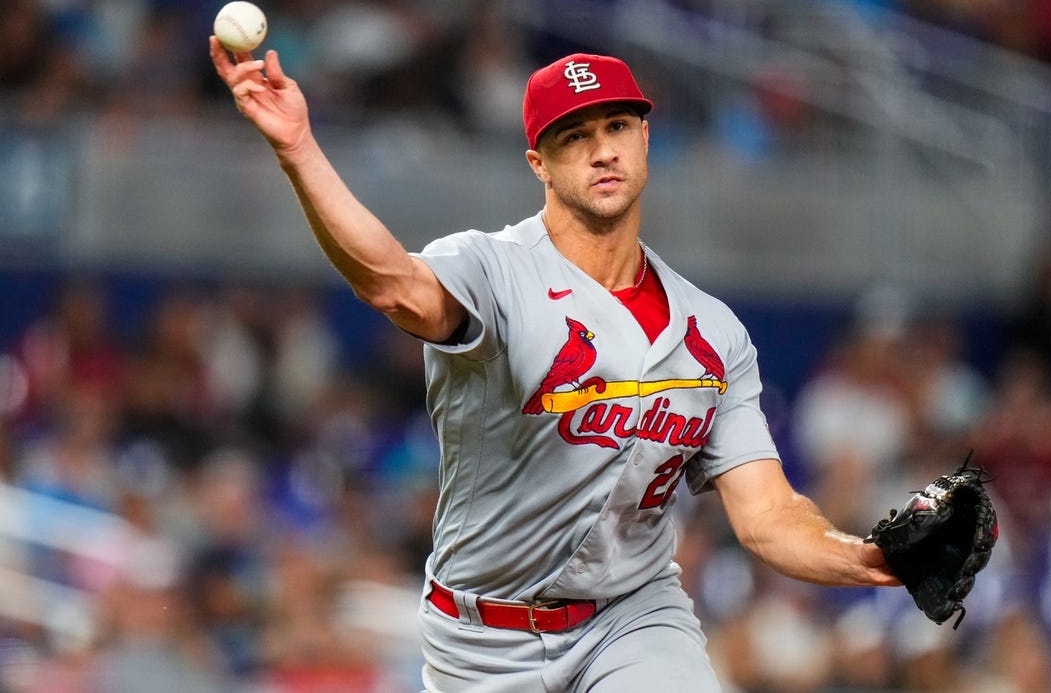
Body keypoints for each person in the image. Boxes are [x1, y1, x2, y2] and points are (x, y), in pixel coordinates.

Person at [210, 35, 899, 693]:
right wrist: (299, 148)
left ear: (645, 138)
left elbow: (769, 515)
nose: (602, 151)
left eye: (617, 127)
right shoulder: (491, 269)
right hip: (482, 636)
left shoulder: (714, 332)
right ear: (539, 163)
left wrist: (865, 557)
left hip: (632, 613)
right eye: (575, 136)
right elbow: (392, 282)